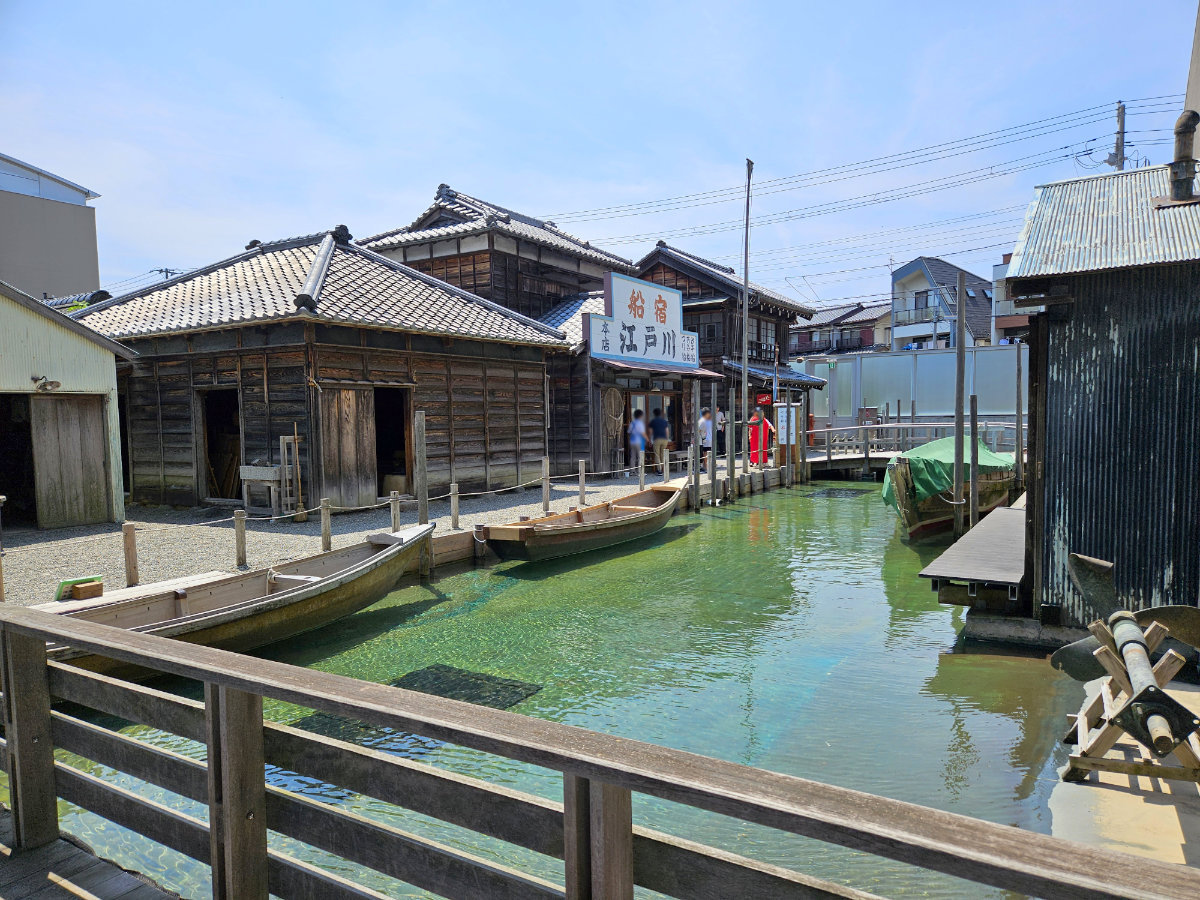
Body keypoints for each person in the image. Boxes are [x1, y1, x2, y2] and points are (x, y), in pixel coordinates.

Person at [648, 407, 671, 473]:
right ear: (660, 413)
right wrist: (667, 439)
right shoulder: (664, 421)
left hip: (657, 439)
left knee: (657, 454)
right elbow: (667, 431)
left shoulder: (653, 421)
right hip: (664, 439)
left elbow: (650, 431)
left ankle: (659, 469)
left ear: (654, 414)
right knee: (662, 454)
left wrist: (649, 440)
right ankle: (663, 468)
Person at [698, 408, 713, 473]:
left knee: (704, 453)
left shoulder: (703, 421)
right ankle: (706, 467)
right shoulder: (710, 421)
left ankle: (705, 467)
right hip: (709, 439)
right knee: (706, 453)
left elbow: (699, 430)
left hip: (705, 439)